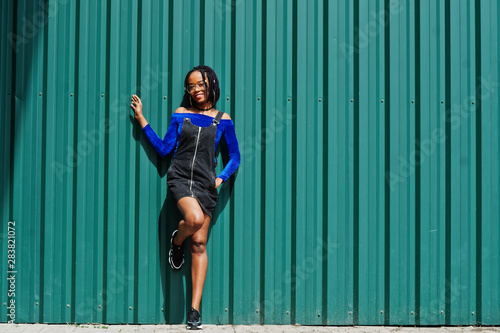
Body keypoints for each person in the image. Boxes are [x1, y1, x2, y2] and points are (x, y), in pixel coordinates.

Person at [130, 65, 240, 330]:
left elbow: (234, 156)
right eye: (191, 86)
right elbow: (165, 148)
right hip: (180, 180)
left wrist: (220, 178)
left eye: (200, 84)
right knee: (193, 219)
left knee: (200, 244)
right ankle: (177, 240)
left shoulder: (223, 120)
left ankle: (194, 311)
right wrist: (142, 120)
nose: (196, 90)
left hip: (206, 185)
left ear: (211, 83)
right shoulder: (181, 114)